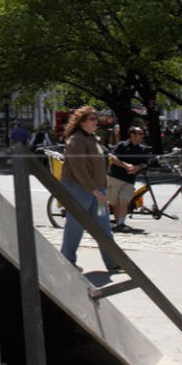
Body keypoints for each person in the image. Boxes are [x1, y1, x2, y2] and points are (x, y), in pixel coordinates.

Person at [59, 105, 116, 272]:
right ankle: (67, 260)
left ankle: (113, 261)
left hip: (97, 188)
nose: (95, 121)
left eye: (96, 118)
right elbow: (79, 168)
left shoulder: (93, 138)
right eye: (92, 119)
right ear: (81, 122)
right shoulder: (77, 139)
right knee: (75, 225)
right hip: (79, 188)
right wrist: (95, 190)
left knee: (103, 224)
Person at [108, 125, 151, 231]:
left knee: (124, 200)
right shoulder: (122, 145)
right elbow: (113, 158)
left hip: (130, 179)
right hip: (115, 177)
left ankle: (121, 223)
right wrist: (125, 165)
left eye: (142, 133)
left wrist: (137, 167)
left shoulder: (143, 149)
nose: (142, 135)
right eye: (140, 133)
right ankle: (118, 223)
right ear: (132, 135)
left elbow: (145, 163)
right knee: (115, 202)